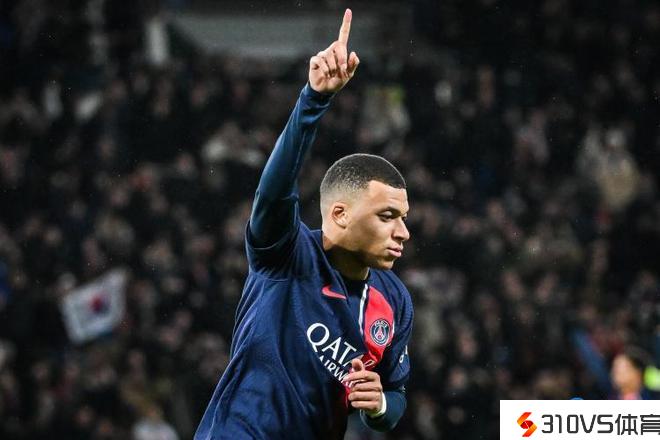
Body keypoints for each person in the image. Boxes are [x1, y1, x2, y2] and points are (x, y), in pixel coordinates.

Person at [194, 9, 414, 440]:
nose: (402, 232)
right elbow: (274, 193)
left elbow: (395, 397)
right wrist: (313, 100)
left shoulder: (394, 302)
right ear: (340, 215)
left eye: (403, 218)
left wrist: (380, 405)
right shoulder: (286, 255)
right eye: (387, 216)